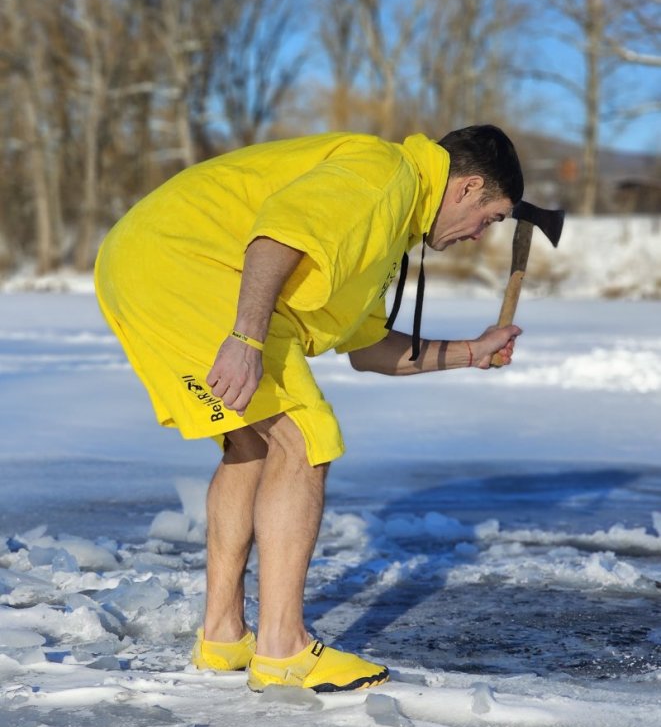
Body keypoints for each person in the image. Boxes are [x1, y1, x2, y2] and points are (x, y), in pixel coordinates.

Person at [94, 124, 523, 693]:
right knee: (303, 437)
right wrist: (245, 340)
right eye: (490, 218)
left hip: (152, 263)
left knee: (252, 442)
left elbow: (371, 350)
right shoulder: (382, 174)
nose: (479, 235)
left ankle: (223, 635)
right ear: (468, 187)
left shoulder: (388, 223)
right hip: (190, 267)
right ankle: (283, 648)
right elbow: (277, 236)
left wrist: (471, 352)